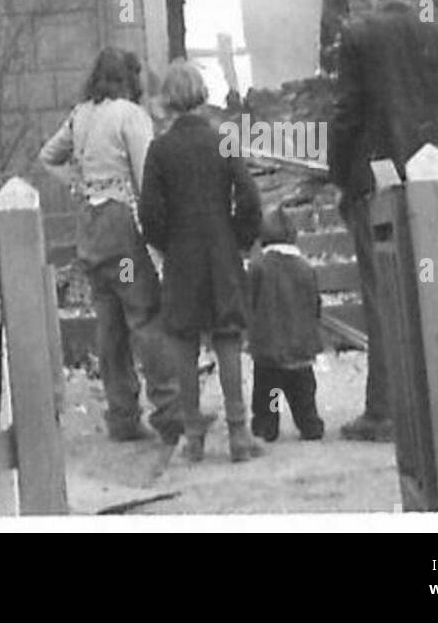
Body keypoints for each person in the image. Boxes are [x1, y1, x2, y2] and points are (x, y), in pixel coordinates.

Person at [327, 0, 438, 442]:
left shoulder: (359, 34)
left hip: (380, 180)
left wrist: (339, 174)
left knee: (383, 294)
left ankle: (387, 410)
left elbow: (348, 113)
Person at [38, 47, 183, 444]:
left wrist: (79, 182)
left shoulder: (79, 114)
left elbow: (47, 157)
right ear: (129, 79)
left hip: (90, 228)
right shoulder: (130, 116)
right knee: (144, 316)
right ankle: (169, 411)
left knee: (110, 323)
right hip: (122, 226)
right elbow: (146, 176)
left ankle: (122, 416)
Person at [139, 59, 264, 464]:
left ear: (168, 101)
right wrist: (240, 239)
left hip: (181, 256)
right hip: (222, 249)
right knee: (227, 337)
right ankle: (239, 433)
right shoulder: (224, 138)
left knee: (183, 342)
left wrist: (167, 244)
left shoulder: (159, 149)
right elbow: (248, 196)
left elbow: (149, 214)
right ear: (201, 95)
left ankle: (193, 437)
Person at [248, 206, 325, 443]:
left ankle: (268, 425)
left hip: (269, 350)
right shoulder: (305, 267)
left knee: (270, 394)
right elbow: (316, 304)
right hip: (301, 348)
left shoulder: (259, 266)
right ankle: (309, 423)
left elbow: (249, 302)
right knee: (303, 393)